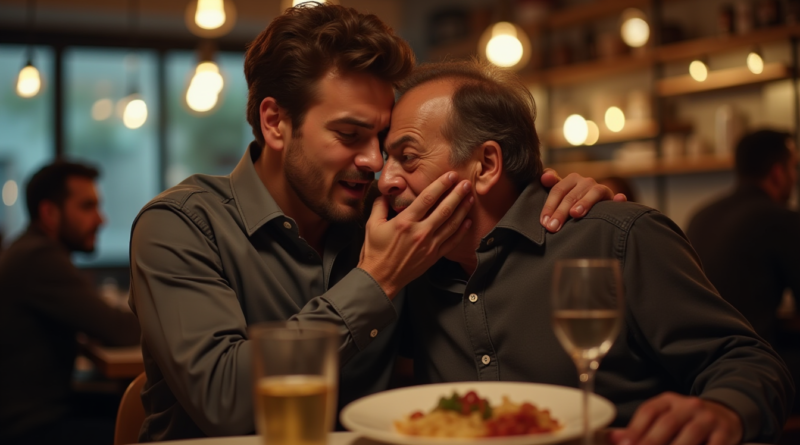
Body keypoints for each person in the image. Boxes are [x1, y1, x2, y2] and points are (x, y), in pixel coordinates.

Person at [128, 4, 620, 442]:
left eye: (382, 140)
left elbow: (488, 275)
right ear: (275, 122)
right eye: (348, 134)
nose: (374, 164)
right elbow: (224, 402)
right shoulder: (179, 226)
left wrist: (558, 198)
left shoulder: (388, 215)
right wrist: (377, 281)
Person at [378, 60, 793, 445]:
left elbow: (746, 360)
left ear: (486, 165)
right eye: (385, 161)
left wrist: (723, 410)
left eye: (407, 157)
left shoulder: (616, 238)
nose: (386, 180)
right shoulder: (407, 267)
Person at [0, 161, 141, 445]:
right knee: (152, 428)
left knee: (146, 413)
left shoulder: (29, 250)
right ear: (49, 213)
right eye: (87, 207)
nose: (102, 219)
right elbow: (118, 331)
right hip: (29, 429)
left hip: (35, 413)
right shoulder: (39, 258)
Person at [687, 129, 800, 411]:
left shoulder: (700, 215)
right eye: (794, 167)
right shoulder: (783, 218)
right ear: (777, 173)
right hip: (752, 370)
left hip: (693, 368)